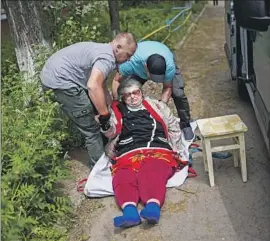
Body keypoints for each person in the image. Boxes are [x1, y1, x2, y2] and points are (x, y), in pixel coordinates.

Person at [40, 32, 137, 169]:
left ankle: (104, 148)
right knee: (91, 128)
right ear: (118, 47)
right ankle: (99, 168)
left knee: (97, 108)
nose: (128, 59)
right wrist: (104, 116)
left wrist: (111, 104)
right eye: (128, 55)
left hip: (53, 74)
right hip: (60, 82)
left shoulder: (104, 50)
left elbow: (101, 84)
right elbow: (93, 85)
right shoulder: (106, 58)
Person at [100, 76, 187, 228]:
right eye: (128, 95)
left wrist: (177, 149)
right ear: (123, 98)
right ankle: (130, 212)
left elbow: (173, 125)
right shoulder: (117, 111)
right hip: (128, 152)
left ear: (141, 92)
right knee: (123, 175)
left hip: (157, 148)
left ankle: (152, 208)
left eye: (136, 92)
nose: (133, 97)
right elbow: (111, 133)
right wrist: (105, 123)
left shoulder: (157, 106)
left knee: (152, 170)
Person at [111, 40, 194, 141]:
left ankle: (186, 125)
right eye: (154, 78)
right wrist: (115, 101)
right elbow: (116, 81)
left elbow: (167, 87)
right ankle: (128, 123)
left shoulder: (169, 66)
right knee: (128, 90)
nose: (157, 81)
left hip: (163, 57)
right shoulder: (130, 63)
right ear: (146, 67)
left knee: (178, 93)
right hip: (139, 71)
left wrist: (161, 108)